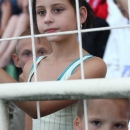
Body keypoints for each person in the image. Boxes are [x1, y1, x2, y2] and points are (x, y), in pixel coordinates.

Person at [0, 0, 107, 130]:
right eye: (41, 12)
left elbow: (37, 108)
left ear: (81, 15)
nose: (48, 19)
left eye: (57, 10)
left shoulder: (93, 66)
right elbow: (30, 123)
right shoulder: (32, 67)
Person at [10, 29, 52, 130]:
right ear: (17, 60)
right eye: (27, 54)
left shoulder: (64, 84)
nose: (35, 59)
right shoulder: (9, 97)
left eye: (42, 52)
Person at [0, 0, 30, 68]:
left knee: (23, 17)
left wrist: (24, 8)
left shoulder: (6, 3)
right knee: (14, 18)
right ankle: (2, 53)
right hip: (15, 22)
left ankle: (6, 56)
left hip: (27, 20)